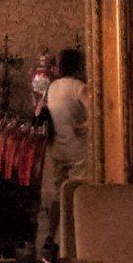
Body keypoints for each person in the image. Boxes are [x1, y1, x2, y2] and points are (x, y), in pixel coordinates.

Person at [38, 47, 88, 248]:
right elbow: (96, 112)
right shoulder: (79, 87)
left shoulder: (53, 87)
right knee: (78, 192)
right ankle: (74, 239)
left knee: (59, 194)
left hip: (56, 147)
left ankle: (51, 236)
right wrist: (84, 126)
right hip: (77, 149)